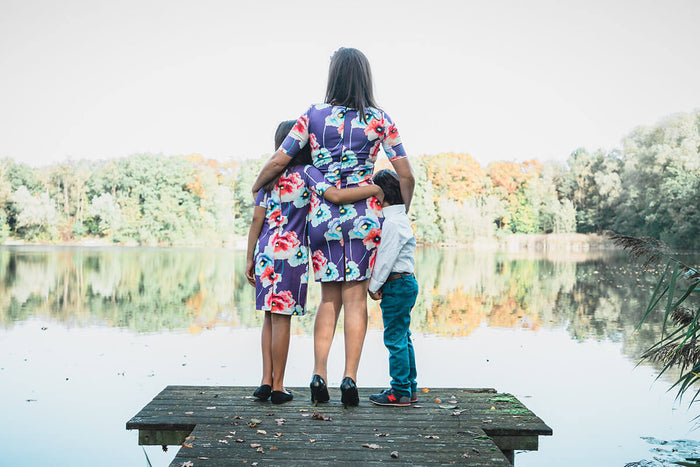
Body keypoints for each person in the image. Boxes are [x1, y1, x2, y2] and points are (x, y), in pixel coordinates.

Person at [251, 47, 415, 406]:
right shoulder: (380, 119)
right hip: (363, 216)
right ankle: (350, 379)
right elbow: (405, 174)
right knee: (355, 299)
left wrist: (258, 182)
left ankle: (318, 373)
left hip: (322, 218)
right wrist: (399, 211)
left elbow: (281, 157)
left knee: (329, 299)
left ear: (334, 76)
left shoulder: (312, 116)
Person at [246, 120, 383, 404]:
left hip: (264, 251)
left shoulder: (268, 179)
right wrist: (372, 190)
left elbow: (256, 219)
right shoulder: (308, 173)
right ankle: (279, 386)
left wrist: (249, 257)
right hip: (290, 254)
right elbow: (334, 195)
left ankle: (264, 380)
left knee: (269, 317)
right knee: (282, 318)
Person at [367, 169, 418, 406]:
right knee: (404, 336)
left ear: (381, 195)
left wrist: (373, 286)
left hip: (396, 284)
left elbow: (386, 258)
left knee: (395, 338)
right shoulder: (401, 218)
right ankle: (409, 387)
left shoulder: (392, 223)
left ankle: (399, 391)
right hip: (406, 282)